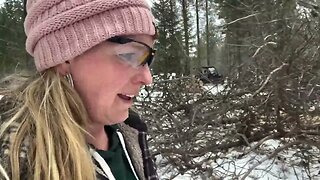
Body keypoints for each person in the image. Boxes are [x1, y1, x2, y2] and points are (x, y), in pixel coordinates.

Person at [0, 0, 159, 179]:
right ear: (64, 57)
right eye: (131, 54)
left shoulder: (131, 133)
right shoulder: (16, 158)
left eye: (148, 58)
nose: (147, 79)